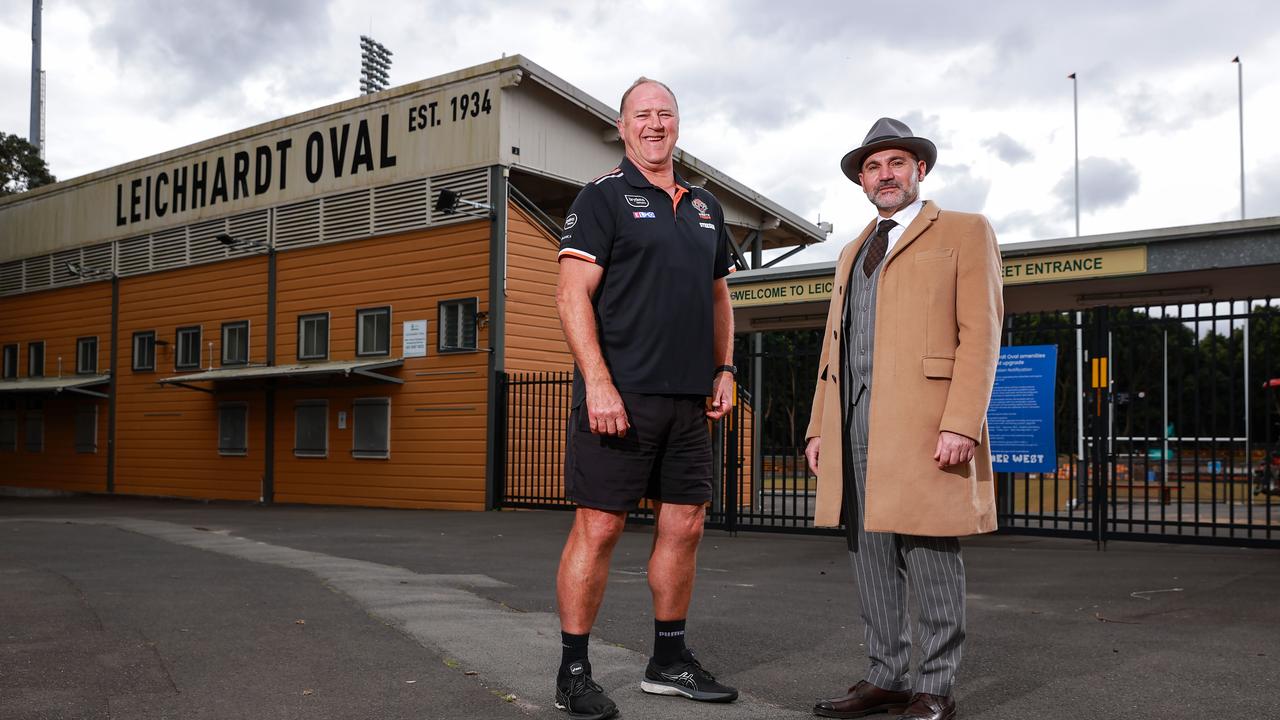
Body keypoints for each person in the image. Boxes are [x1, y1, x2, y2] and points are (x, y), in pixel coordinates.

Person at [552, 76, 740, 720]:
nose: (654, 124)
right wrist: (598, 381)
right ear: (623, 126)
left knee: (684, 525)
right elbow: (571, 293)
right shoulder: (602, 198)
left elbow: (719, 296)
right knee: (599, 528)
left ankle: (668, 661)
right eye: (642, 114)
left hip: (690, 400)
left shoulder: (705, 207)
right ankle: (573, 672)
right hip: (621, 396)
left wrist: (724, 368)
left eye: (665, 114)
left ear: (677, 125)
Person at [804, 118, 1003, 720]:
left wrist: (961, 423)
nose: (884, 175)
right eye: (872, 166)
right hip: (855, 427)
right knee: (869, 557)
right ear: (862, 180)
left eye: (896, 162)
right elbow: (833, 348)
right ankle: (886, 675)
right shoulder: (851, 250)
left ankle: (935, 684)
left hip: (925, 423)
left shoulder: (965, 232)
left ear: (920, 169)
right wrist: (818, 427)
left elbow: (982, 335)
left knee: (931, 555)